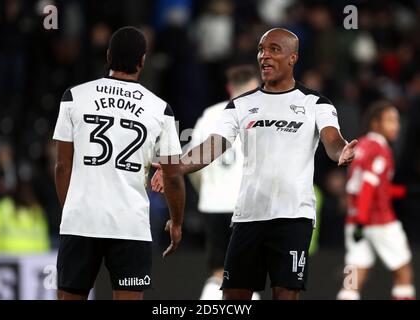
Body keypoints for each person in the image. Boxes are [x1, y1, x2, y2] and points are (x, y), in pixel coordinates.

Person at [151, 28, 357, 300]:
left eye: (274, 49)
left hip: (293, 216)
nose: (265, 56)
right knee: (233, 297)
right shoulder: (240, 105)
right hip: (249, 216)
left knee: (285, 293)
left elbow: (332, 140)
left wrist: (342, 150)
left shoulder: (316, 103)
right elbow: (213, 146)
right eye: (261, 49)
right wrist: (174, 167)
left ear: (293, 57)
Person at [53, 26, 185, 300]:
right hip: (129, 223)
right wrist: (176, 222)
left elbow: (62, 166)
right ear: (143, 61)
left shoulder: (74, 96)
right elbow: (172, 177)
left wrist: (71, 211)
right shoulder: (160, 109)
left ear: (108, 56)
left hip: (81, 219)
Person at [189, 65, 260, 300]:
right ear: (257, 87)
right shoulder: (260, 114)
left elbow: (192, 162)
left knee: (219, 272)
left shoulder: (209, 115)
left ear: (230, 87)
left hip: (214, 204)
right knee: (247, 274)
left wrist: (206, 191)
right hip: (248, 207)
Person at [337, 101, 416, 300]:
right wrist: (364, 220)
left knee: (354, 271)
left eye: (397, 121)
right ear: (375, 123)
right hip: (379, 221)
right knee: (403, 271)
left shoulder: (361, 146)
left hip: (354, 221)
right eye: (390, 120)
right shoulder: (380, 149)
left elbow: (375, 187)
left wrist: (407, 192)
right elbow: (368, 186)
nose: (396, 125)